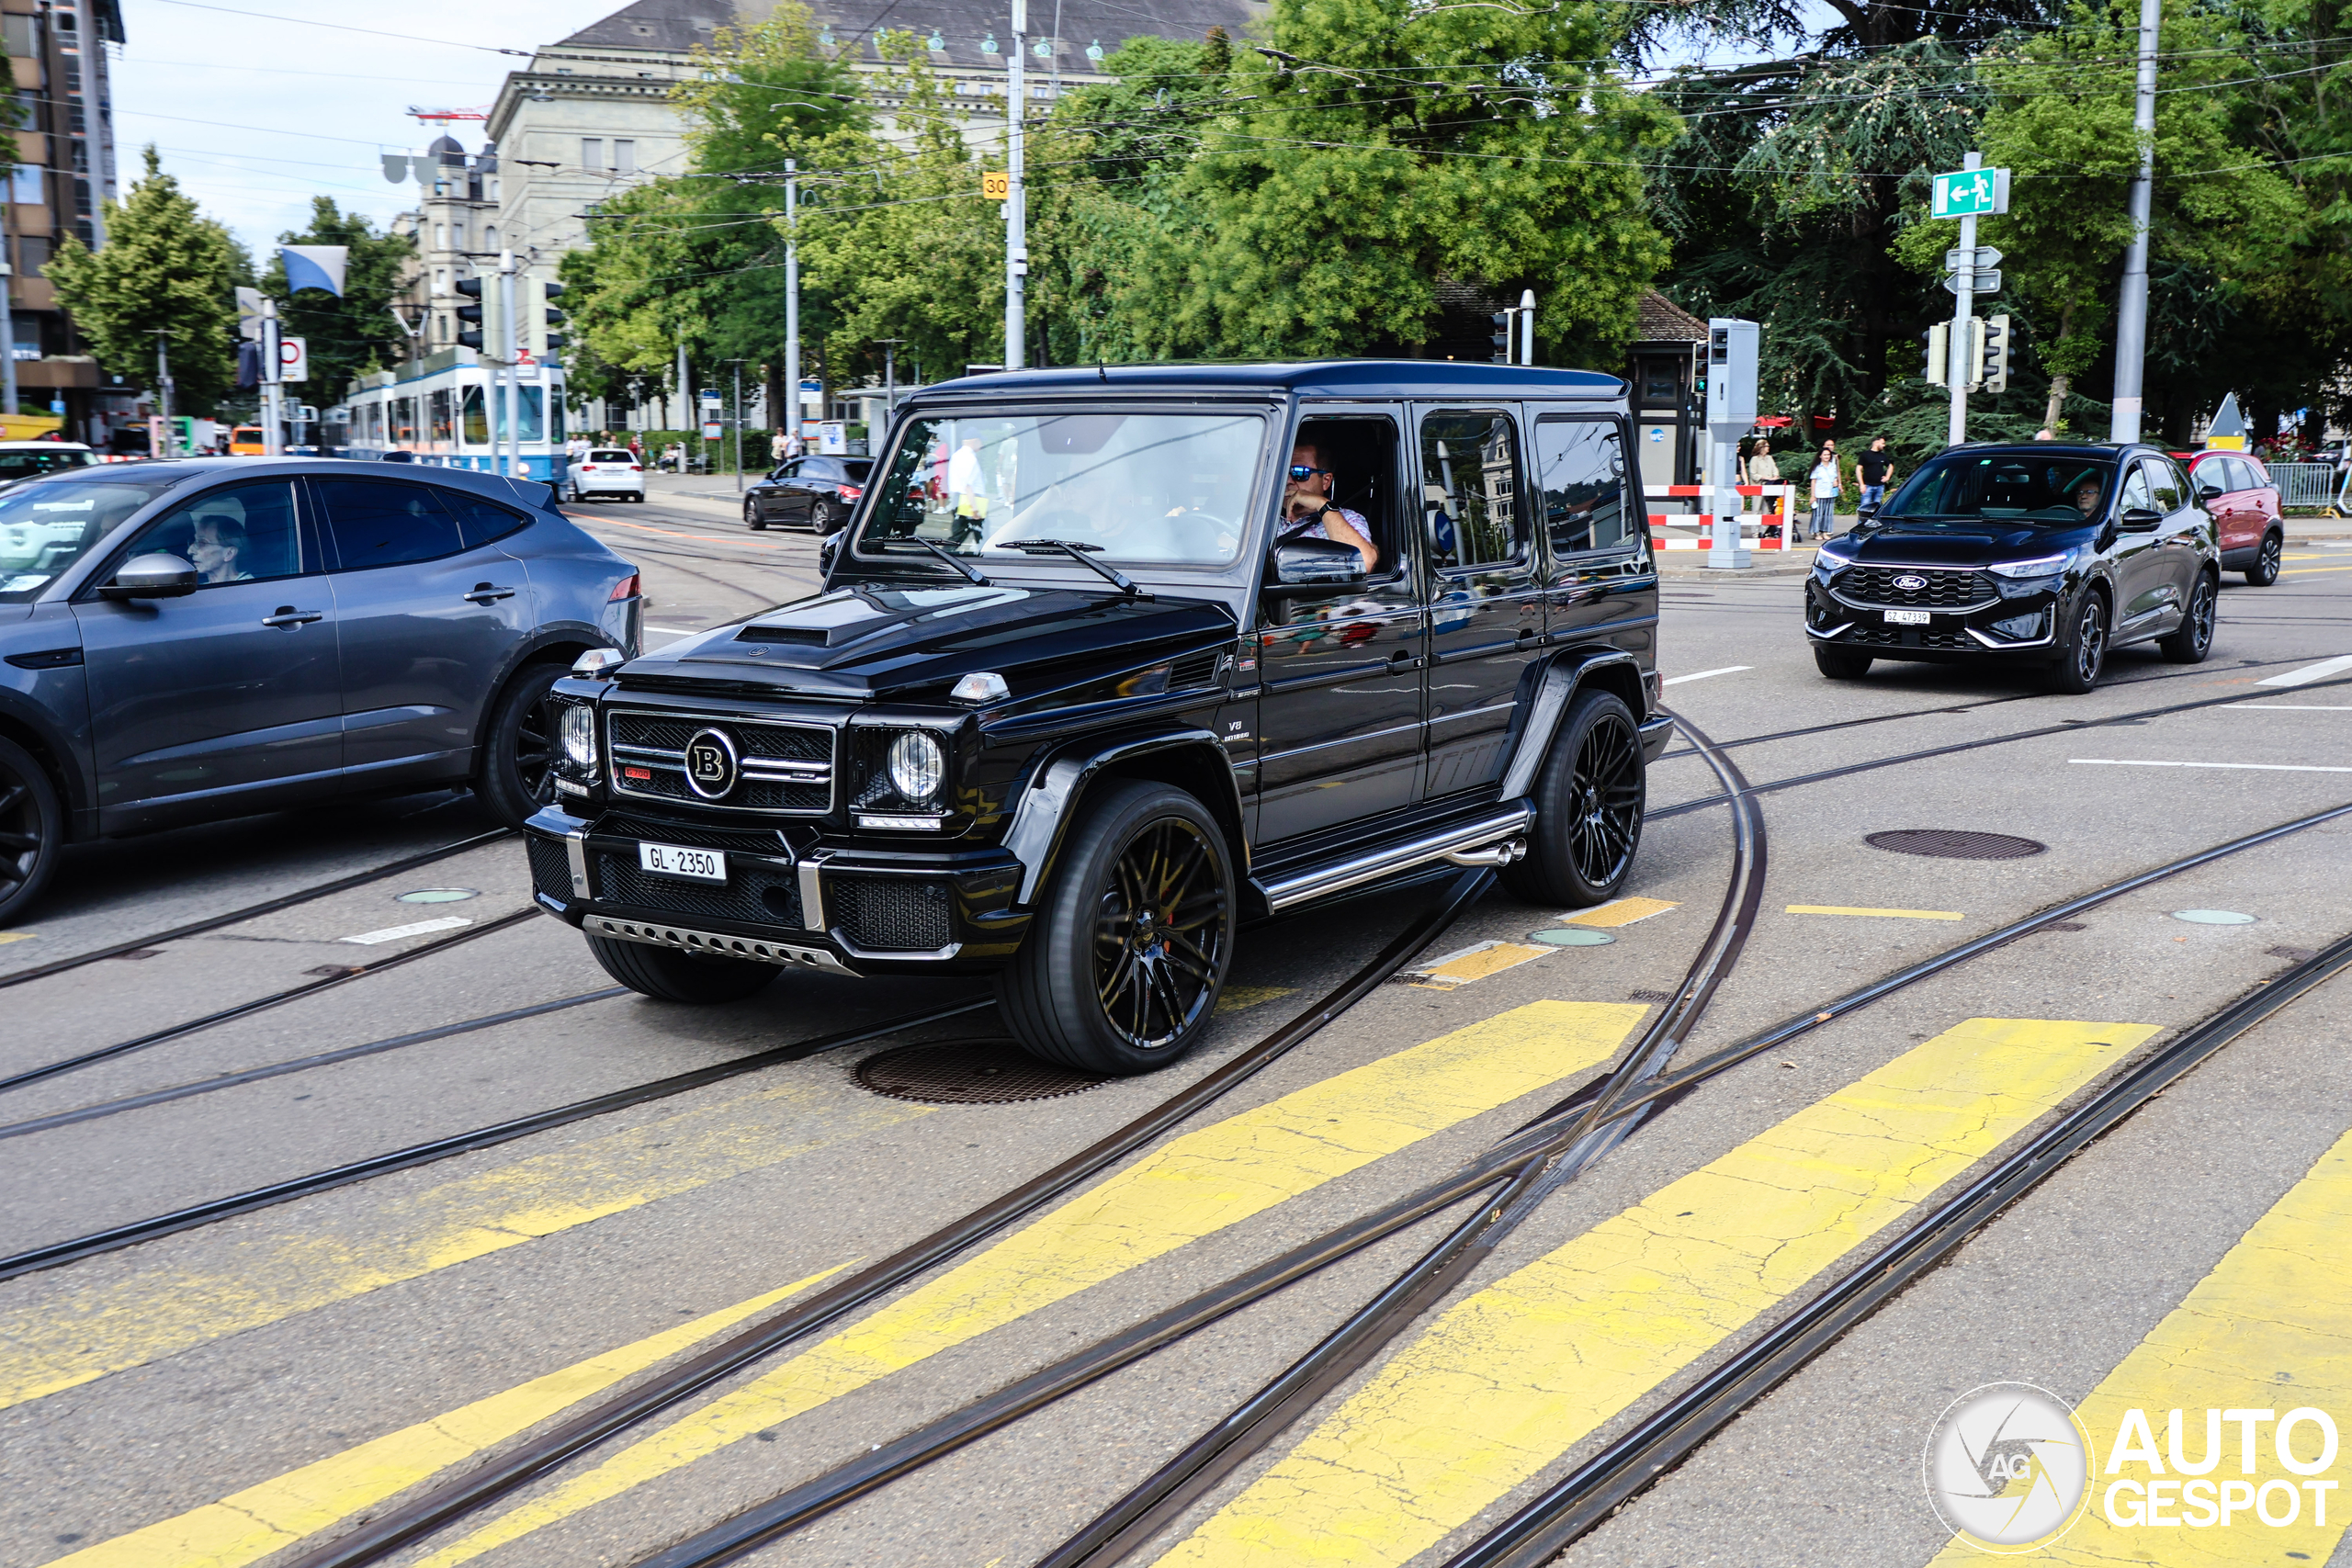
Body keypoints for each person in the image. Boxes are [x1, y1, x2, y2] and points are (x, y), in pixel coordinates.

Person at [1279, 441, 1378, 569]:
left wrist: (1322, 504)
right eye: (1282, 472)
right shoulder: (1259, 517)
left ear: (1326, 481)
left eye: (1299, 472)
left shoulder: (1348, 519)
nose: (1288, 481)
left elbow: (1363, 563)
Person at [187, 513, 253, 583]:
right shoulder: (201, 589)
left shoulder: (250, 588)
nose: (190, 551)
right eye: (194, 541)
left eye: (202, 543)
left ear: (229, 553)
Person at [1805, 441, 1840, 543]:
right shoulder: (1817, 467)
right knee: (1818, 514)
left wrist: (1836, 481)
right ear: (1820, 456)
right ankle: (1816, 532)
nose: (1827, 456)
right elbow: (1813, 481)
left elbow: (1835, 476)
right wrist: (1813, 495)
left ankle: (1825, 531)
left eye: (1828, 455)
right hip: (1819, 493)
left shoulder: (1832, 466)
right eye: (1824, 455)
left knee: (1828, 514)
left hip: (1830, 493)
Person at [1858, 435, 1892, 512]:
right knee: (1864, 509)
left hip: (1880, 486)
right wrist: (1862, 484)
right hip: (1867, 486)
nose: (1884, 445)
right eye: (1882, 443)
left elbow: (1890, 466)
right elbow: (1858, 469)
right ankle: (1862, 523)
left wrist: (1887, 477)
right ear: (1876, 443)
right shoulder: (1865, 455)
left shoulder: (1882, 456)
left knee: (1876, 510)